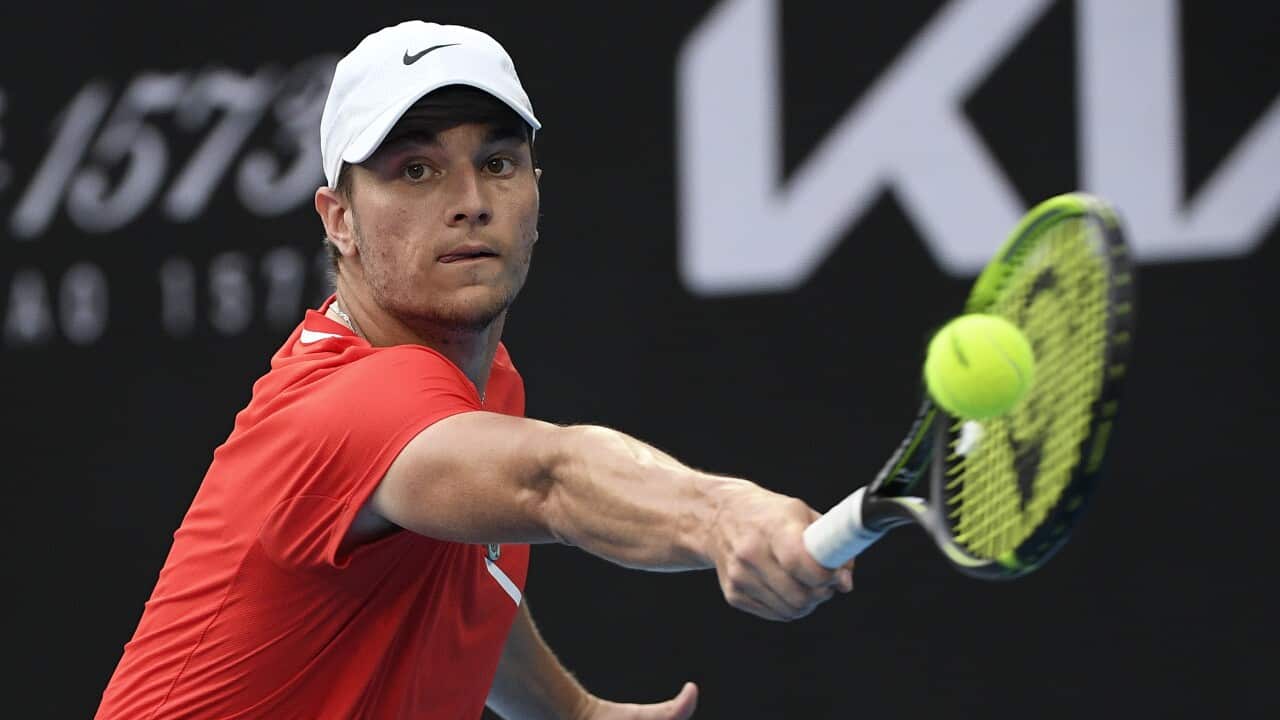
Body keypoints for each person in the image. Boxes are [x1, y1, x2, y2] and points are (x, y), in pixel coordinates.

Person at [95, 20, 853, 720]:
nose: (469, 201)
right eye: (416, 170)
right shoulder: (356, 404)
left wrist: (572, 713)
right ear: (340, 221)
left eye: (497, 162)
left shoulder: (478, 394)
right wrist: (721, 516)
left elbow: (461, 566)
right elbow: (550, 479)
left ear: (535, 194)